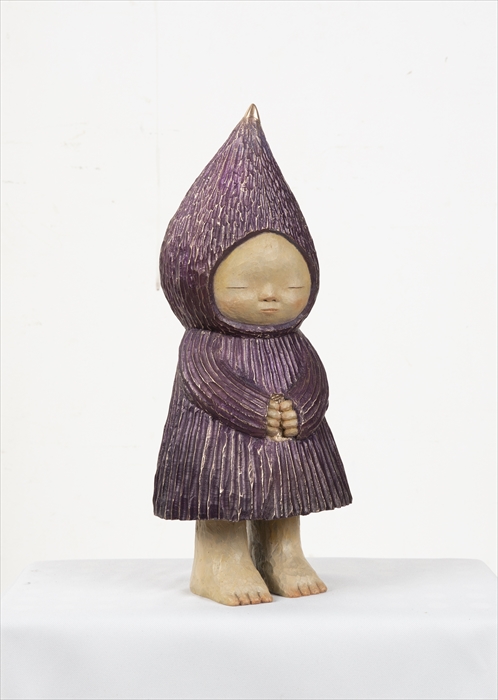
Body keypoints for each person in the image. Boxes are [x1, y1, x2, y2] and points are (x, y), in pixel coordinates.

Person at [153, 105, 352, 605]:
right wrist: (256, 410)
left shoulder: (293, 342)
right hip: (224, 442)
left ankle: (282, 552)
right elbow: (210, 386)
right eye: (246, 283)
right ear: (197, 277)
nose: (270, 295)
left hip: (288, 437)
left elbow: (313, 380)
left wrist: (302, 406)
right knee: (224, 495)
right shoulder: (204, 343)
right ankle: (219, 560)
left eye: (289, 283)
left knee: (286, 497)